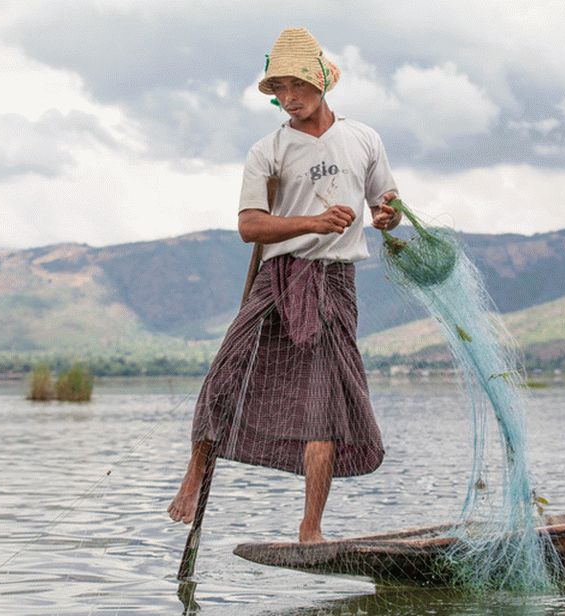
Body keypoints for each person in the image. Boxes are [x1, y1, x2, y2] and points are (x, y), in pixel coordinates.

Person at [168, 27, 401, 543]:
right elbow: (250, 225)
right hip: (275, 277)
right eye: (278, 89)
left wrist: (385, 216)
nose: (288, 99)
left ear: (321, 81)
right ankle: (194, 474)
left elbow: (387, 202)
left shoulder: (363, 139)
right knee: (226, 372)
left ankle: (310, 528)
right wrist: (311, 223)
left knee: (322, 402)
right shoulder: (268, 149)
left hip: (334, 282)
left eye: (296, 86)